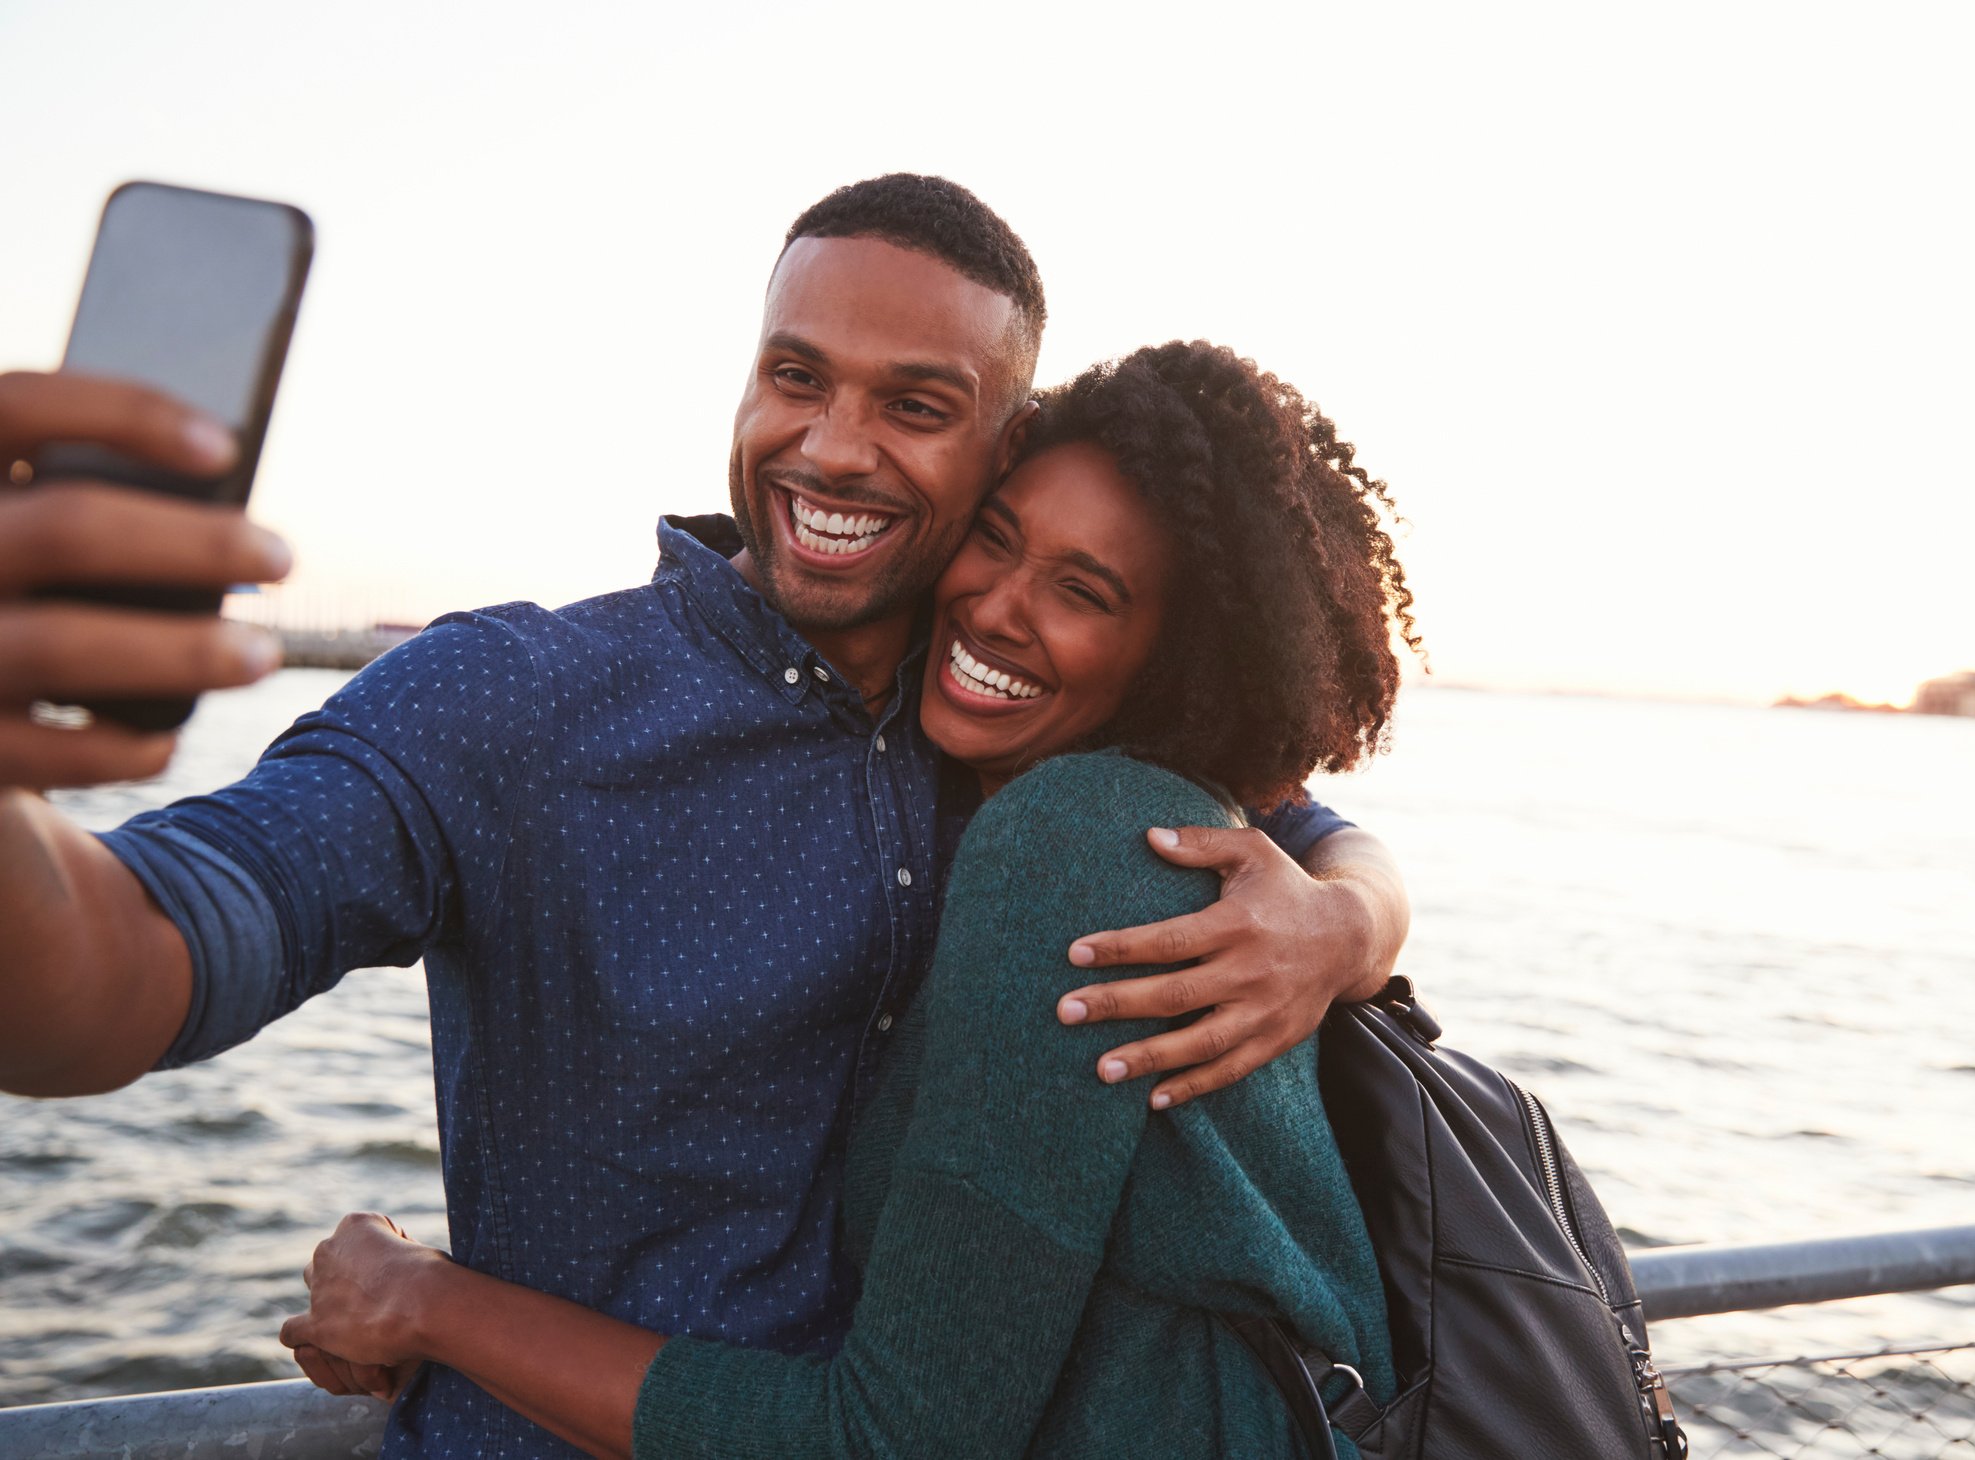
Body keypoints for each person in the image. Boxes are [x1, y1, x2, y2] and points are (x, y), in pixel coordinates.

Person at [0, 176, 1412, 1455]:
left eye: (915, 406)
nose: (833, 448)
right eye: (795, 376)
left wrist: (1344, 924)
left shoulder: (1014, 707)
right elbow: (132, 962)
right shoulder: (515, 703)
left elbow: (1291, 824)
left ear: (1007, 444)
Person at [281, 340, 1420, 1459]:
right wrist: (1356, 915)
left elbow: (889, 1440)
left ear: (1176, 661)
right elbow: (1329, 841)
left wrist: (429, 1300)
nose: (994, 606)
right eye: (995, 536)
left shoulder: (1067, 845)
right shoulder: (1157, 819)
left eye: (1082, 590)